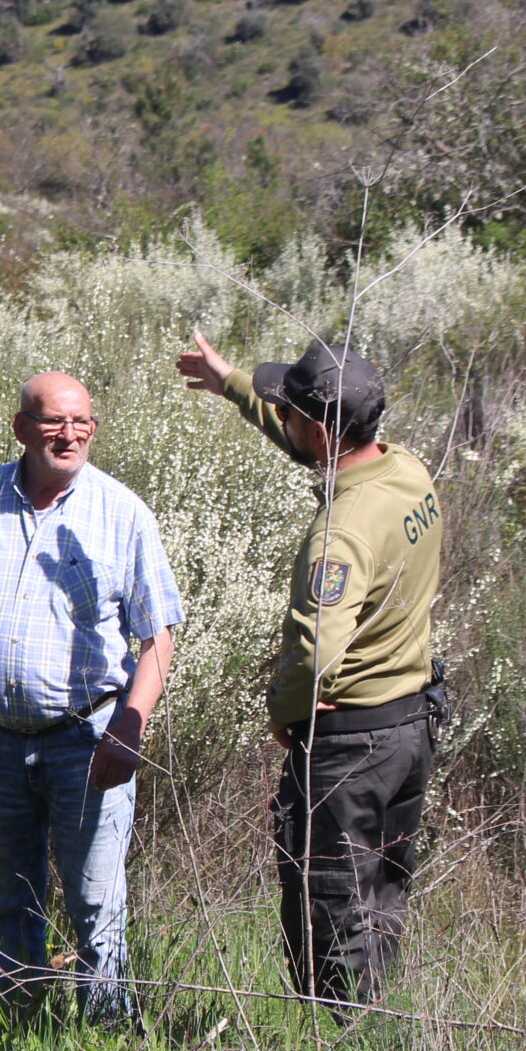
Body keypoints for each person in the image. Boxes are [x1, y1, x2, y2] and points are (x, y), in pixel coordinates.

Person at [175, 333, 443, 1008]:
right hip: (409, 725)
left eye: (290, 410)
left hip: (349, 745)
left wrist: (284, 710)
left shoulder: (342, 530)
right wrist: (231, 382)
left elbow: (315, 647)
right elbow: (311, 439)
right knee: (379, 898)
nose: (284, 419)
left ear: (321, 429)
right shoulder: (405, 469)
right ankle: (374, 1032)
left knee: (330, 907)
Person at [0, 373, 181, 1023]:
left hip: (89, 741)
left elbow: (157, 635)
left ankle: (107, 1038)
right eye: (54, 421)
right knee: (9, 895)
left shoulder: (121, 512)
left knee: (96, 902)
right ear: (22, 427)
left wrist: (129, 729)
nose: (69, 434)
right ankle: (16, 1025)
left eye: (82, 423)